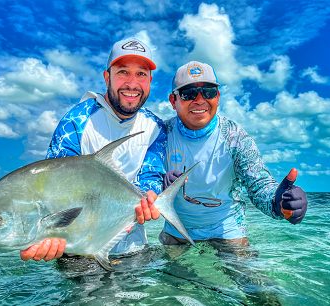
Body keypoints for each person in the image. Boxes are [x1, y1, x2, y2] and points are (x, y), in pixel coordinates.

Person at [20, 37, 165, 261]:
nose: (132, 83)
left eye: (141, 74)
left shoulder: (156, 127)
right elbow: (54, 189)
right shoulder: (76, 122)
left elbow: (151, 176)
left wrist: (149, 197)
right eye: (123, 72)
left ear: (150, 81)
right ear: (107, 77)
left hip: (134, 249)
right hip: (80, 252)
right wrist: (43, 234)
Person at [160, 61, 308, 246]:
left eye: (209, 92)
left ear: (218, 97)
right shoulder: (161, 135)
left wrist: (279, 204)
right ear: (173, 101)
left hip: (228, 230)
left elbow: (259, 184)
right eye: (188, 93)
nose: (199, 100)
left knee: (248, 276)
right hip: (176, 231)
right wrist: (160, 183)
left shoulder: (235, 136)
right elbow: (143, 179)